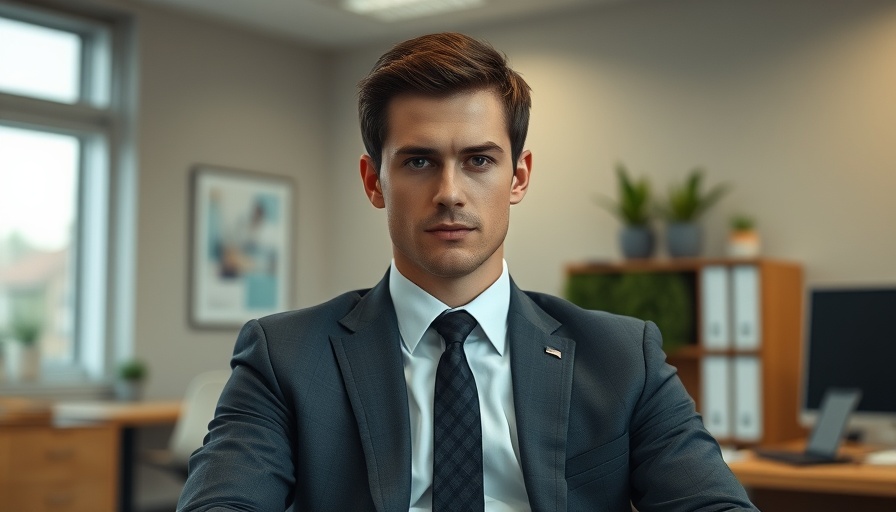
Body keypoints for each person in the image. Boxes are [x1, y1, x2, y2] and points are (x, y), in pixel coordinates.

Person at [177, 32, 757, 511]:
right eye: (419, 161)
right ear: (374, 181)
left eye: (479, 160)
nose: (450, 193)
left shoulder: (623, 357)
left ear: (519, 177)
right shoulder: (285, 357)